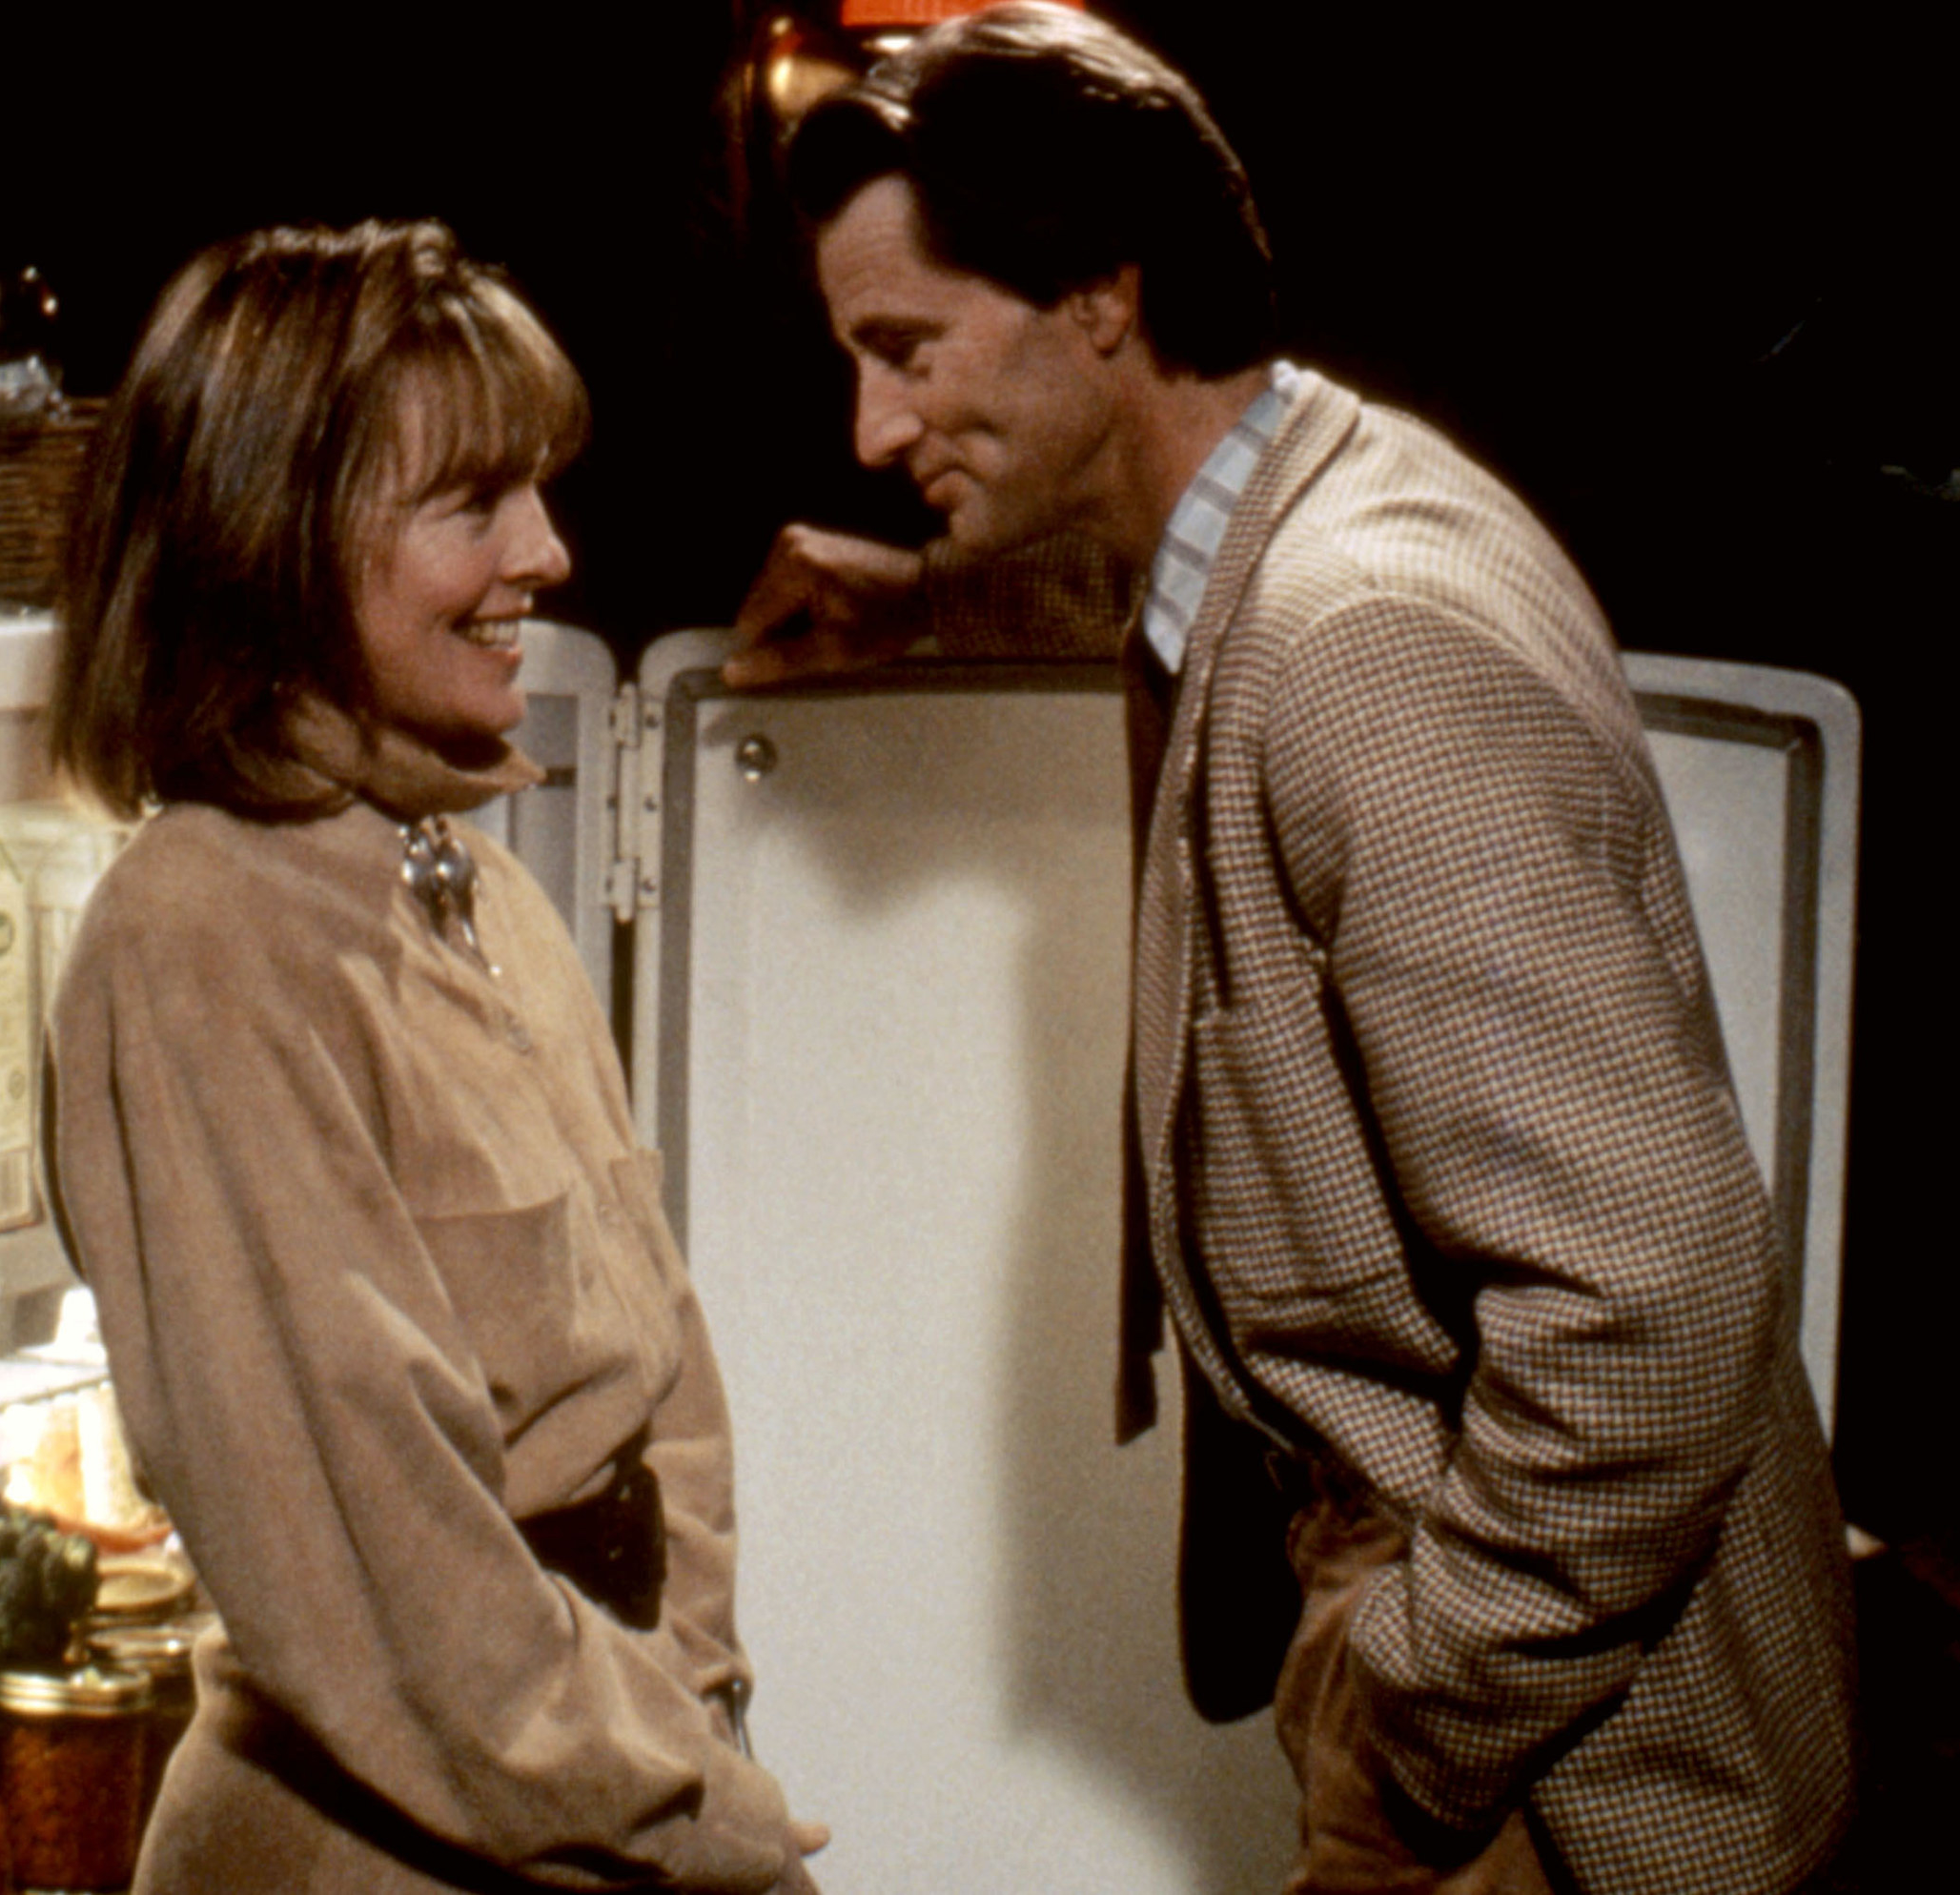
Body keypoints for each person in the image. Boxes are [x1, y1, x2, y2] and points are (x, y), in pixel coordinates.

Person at [725, 9, 1858, 1893]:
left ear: (1100, 290)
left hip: (1565, 1786)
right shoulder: (1310, 498)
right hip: (1511, 1699)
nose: (874, 428)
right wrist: (929, 604)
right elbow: (1178, 592)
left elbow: (1643, 1341)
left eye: (907, 352)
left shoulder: (1364, 645)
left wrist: (1398, 1734)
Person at [43, 222, 827, 1894]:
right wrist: (694, 1812)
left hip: (598, 1780)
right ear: (277, 547)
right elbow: (376, 1558)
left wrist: (693, 1712)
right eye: (471, 505)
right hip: (405, 1841)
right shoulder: (196, 936)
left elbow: (658, 1374)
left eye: (535, 488)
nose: (546, 549)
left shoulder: (467, 872)